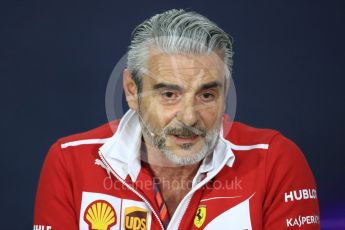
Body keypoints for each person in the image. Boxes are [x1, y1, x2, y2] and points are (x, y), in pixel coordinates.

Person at [34, 9, 320, 230]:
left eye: (206, 95)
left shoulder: (275, 161)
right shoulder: (69, 162)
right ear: (132, 92)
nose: (189, 117)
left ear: (225, 93)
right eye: (169, 94)